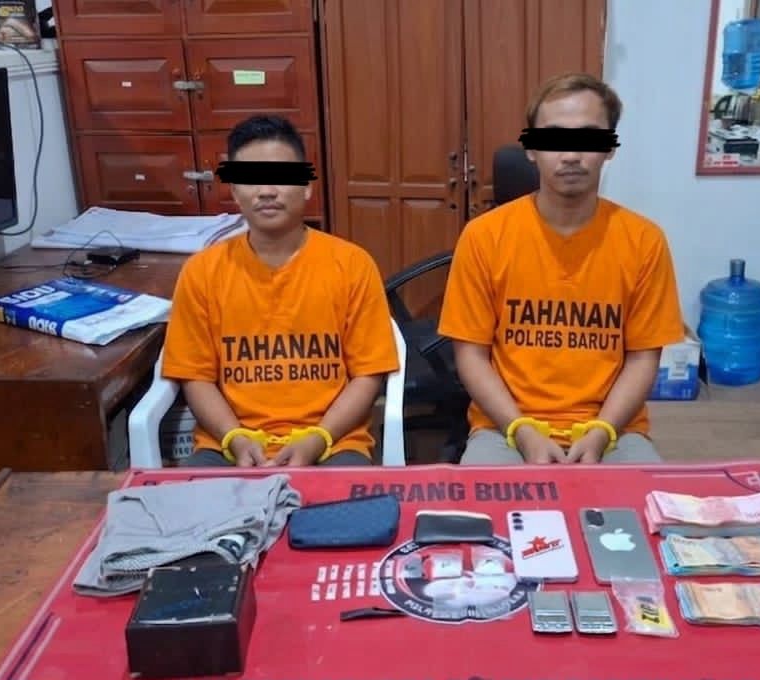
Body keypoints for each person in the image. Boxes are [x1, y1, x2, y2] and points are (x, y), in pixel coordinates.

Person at [437, 72, 685, 465]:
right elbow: (471, 355)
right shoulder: (484, 237)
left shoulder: (644, 241)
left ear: (609, 148)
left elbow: (643, 358)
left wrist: (601, 433)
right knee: (486, 504)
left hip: (614, 429)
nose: (570, 155)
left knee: (645, 504)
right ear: (531, 149)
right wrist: (523, 432)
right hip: (506, 428)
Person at [161, 115, 400, 467]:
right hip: (227, 446)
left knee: (348, 502)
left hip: (334, 442)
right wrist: (234, 438)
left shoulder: (352, 265)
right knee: (190, 503)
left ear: (306, 186)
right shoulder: (201, 273)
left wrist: (317, 440)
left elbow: (368, 374)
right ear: (234, 191)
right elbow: (196, 377)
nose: (267, 191)